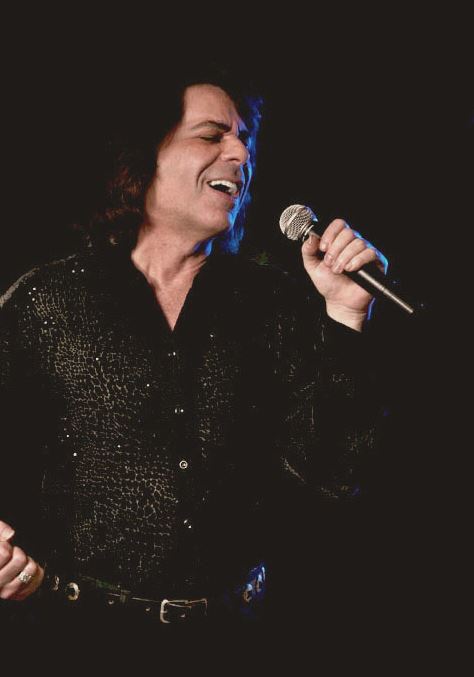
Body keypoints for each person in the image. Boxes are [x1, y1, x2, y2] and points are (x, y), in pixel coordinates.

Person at [0, 67, 387, 634]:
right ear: (144, 158)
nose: (241, 154)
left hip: (236, 634)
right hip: (76, 634)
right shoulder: (48, 300)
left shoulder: (272, 302)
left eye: (245, 141)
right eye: (211, 135)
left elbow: (332, 474)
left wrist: (347, 315)